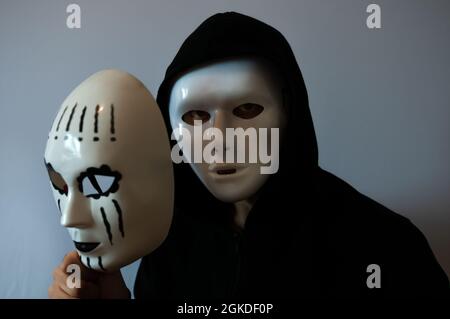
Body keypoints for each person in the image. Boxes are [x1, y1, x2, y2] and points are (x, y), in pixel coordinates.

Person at [49, 12, 449, 299]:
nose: (220, 139)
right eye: (195, 116)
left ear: (290, 114)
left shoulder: (383, 246)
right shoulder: (169, 242)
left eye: (246, 110)